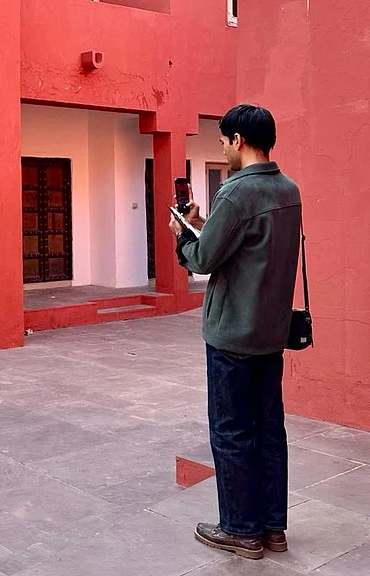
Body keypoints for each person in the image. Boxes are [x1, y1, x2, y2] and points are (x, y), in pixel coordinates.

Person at [169, 104, 302, 560]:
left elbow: (204, 260)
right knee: (269, 431)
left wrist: (181, 235)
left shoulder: (236, 193)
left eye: (223, 141)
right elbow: (250, 247)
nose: (222, 149)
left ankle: (241, 530)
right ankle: (272, 529)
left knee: (230, 433)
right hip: (270, 331)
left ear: (239, 141)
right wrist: (205, 229)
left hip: (231, 335)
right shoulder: (288, 190)